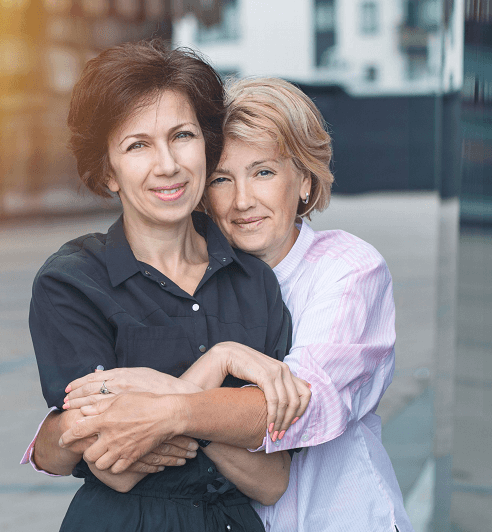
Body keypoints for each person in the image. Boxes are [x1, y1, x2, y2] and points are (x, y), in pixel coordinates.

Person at [62, 77, 415, 531]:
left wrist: (160, 400)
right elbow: (93, 440)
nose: (243, 200)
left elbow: (298, 406)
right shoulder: (194, 277)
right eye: (221, 179)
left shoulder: (348, 269)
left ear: (304, 180)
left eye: (263, 172)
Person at [22, 41, 311, 532]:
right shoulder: (71, 282)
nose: (169, 165)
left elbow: (271, 479)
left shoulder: (255, 280)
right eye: (138, 145)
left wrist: (165, 403)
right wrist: (221, 367)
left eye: (182, 136)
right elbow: (114, 466)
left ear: (206, 143)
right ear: (107, 171)